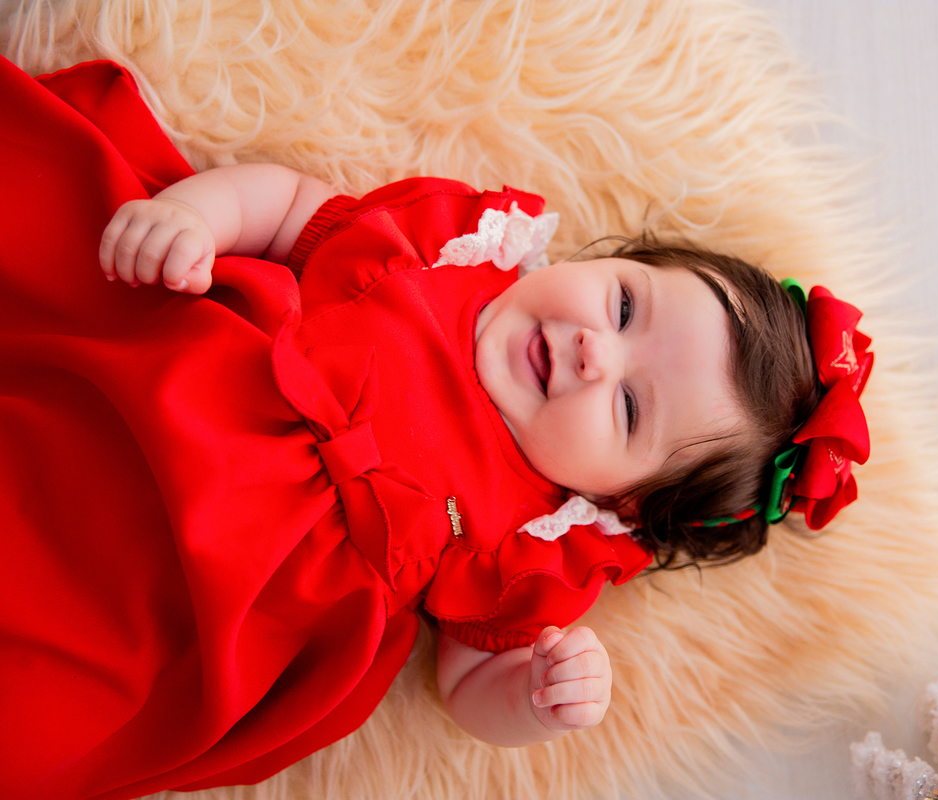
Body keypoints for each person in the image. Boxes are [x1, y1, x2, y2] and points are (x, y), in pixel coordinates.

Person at [0, 57, 873, 799]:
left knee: (41, 709)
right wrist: (199, 218)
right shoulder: (447, 252)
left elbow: (469, 685)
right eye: (622, 305)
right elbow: (289, 207)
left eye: (630, 407)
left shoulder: (536, 545)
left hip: (187, 606)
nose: (590, 353)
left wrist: (531, 700)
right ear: (611, 260)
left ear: (624, 506)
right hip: (151, 392)